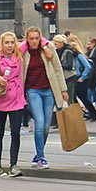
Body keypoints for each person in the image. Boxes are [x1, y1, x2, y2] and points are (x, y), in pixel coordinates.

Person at [20, 26, 68, 170]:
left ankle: (37, 154)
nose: (34, 41)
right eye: (31, 39)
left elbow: (58, 69)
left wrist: (63, 89)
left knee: (46, 127)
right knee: (39, 124)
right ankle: (41, 157)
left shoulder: (49, 48)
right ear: (27, 39)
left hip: (48, 91)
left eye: (36, 38)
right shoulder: (23, 51)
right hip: (33, 91)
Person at [0, 31, 26, 178]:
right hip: (1, 99)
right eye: (6, 42)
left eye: (12, 42)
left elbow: (34, 39)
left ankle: (13, 165)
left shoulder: (19, 54)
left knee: (15, 132)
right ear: (1, 44)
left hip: (17, 98)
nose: (9, 45)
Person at [68, 37, 95, 120]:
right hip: (77, 78)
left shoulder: (79, 56)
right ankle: (88, 112)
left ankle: (91, 113)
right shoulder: (74, 57)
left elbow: (88, 66)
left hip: (81, 79)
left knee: (81, 96)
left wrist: (83, 77)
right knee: (78, 96)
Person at [53, 34, 76, 105]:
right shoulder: (57, 51)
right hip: (62, 77)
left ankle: (72, 110)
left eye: (56, 44)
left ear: (61, 43)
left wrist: (59, 66)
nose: (55, 46)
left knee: (70, 97)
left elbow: (69, 65)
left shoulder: (68, 51)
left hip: (69, 76)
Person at [86, 37, 96, 109]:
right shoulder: (92, 51)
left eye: (89, 44)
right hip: (93, 72)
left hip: (95, 73)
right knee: (93, 89)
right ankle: (95, 104)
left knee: (95, 90)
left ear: (93, 43)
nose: (88, 45)